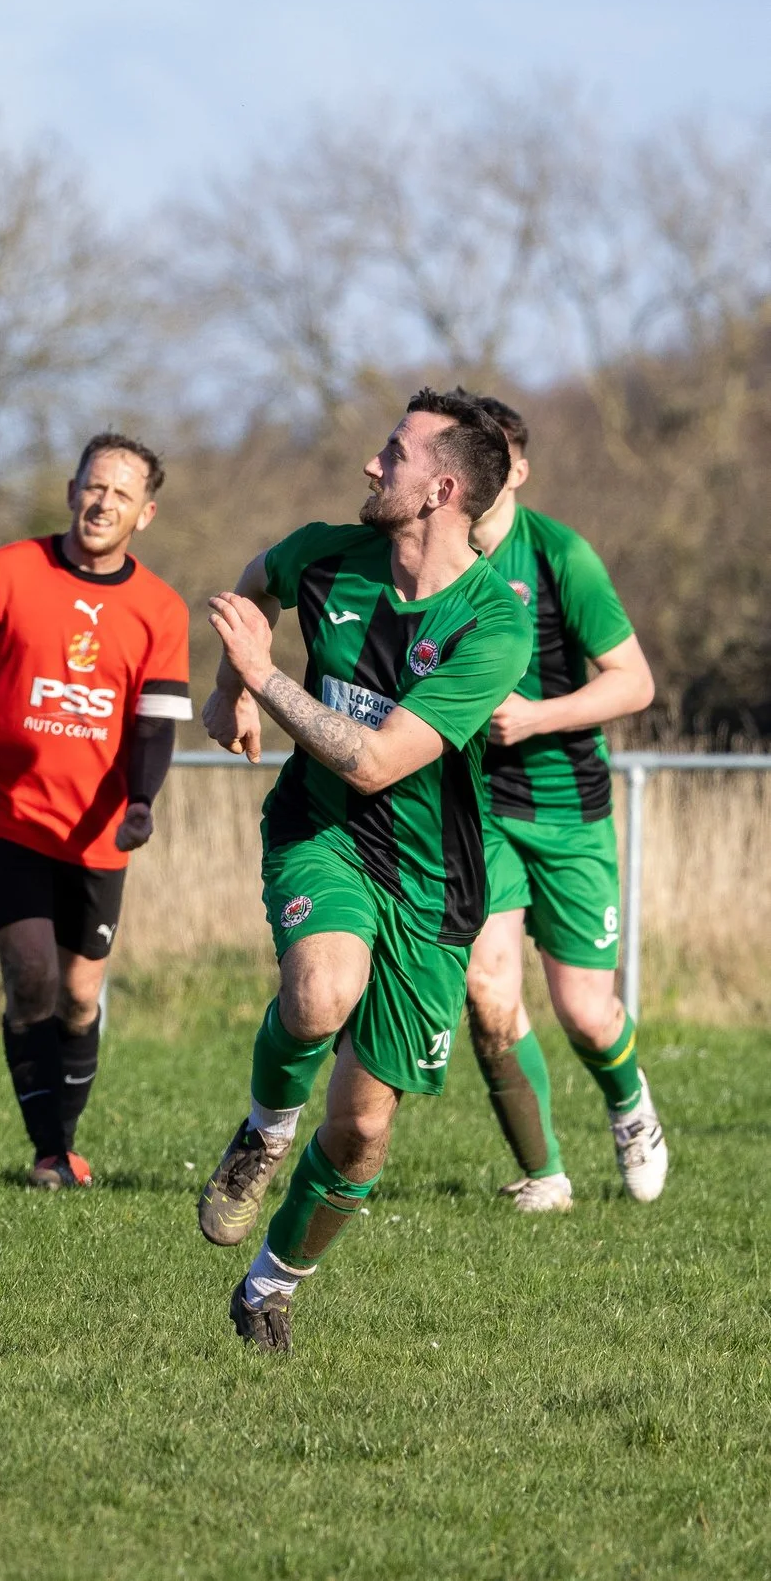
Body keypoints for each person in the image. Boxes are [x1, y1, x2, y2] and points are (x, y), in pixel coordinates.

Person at [194, 390, 532, 1353]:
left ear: (444, 487)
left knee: (362, 1131)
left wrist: (265, 681)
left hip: (431, 884)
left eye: (394, 454)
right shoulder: (327, 554)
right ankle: (262, 1130)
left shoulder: (491, 626)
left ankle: (269, 1284)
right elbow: (246, 590)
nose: (371, 467)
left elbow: (380, 761)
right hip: (322, 831)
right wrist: (229, 692)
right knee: (317, 994)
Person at [0, 433, 191, 1189]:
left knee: (82, 992)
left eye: (121, 494)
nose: (102, 503)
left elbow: (156, 722)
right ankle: (51, 1150)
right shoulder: (4, 572)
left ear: (145, 514)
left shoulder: (158, 608)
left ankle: (63, 1140)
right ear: (70, 490)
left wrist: (144, 801)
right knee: (31, 977)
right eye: (94, 487)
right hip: (3, 813)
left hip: (96, 830)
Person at [457, 393, 666, 1211]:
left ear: (519, 468)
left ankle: (629, 1108)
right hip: (478, 808)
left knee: (585, 1010)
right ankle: (545, 1175)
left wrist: (536, 716)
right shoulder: (432, 558)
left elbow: (635, 682)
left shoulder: (559, 556)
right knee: (488, 990)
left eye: (499, 456)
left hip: (568, 810)